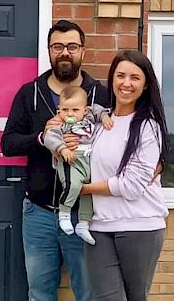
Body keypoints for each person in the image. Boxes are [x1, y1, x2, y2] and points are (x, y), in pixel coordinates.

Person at [1, 20, 109, 301]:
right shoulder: (30, 94)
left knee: (88, 293)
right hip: (39, 212)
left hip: (85, 213)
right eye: (58, 46)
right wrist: (42, 138)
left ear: (82, 51)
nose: (65, 52)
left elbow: (118, 147)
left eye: (72, 46)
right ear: (49, 51)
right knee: (39, 294)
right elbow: (8, 143)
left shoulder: (101, 95)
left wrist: (87, 143)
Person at [81, 49, 170, 301]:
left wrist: (84, 189)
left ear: (145, 85)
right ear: (111, 79)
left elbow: (131, 186)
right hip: (97, 226)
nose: (126, 83)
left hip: (140, 226)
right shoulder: (98, 123)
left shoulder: (148, 127)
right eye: (120, 75)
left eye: (135, 78)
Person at [42, 86, 111, 246]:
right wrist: (62, 148)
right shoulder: (60, 125)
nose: (70, 114)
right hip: (71, 161)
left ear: (84, 110)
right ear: (59, 110)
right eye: (65, 109)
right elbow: (50, 139)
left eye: (75, 109)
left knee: (89, 192)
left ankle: (83, 223)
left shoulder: (89, 118)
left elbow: (98, 109)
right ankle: (64, 213)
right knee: (73, 186)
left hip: (89, 161)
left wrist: (105, 116)